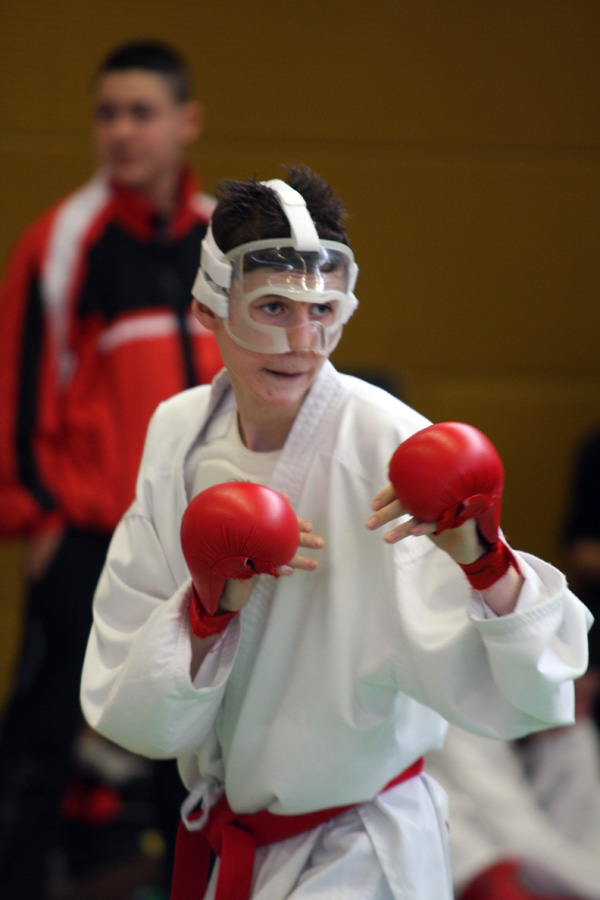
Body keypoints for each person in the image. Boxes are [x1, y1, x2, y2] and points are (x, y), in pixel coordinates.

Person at [80, 166, 591, 900]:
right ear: (209, 309)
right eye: (273, 307)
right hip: (235, 843)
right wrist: (207, 611)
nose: (302, 340)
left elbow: (532, 696)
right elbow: (136, 715)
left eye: (323, 309)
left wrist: (486, 563)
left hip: (362, 850)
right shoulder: (178, 434)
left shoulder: (387, 443)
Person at [0, 40, 222, 899]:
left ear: (186, 121)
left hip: (201, 537)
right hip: (90, 534)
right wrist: (39, 514)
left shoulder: (224, 239)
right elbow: (19, 391)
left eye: (142, 112)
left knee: (190, 734)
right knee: (43, 735)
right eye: (107, 113)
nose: (122, 130)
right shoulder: (65, 241)